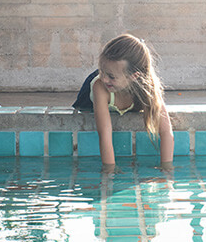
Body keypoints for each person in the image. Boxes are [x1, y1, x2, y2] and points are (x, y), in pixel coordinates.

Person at [73, 34, 174, 167]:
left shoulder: (148, 88)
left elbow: (166, 132)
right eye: (102, 71)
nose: (104, 79)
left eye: (110, 76)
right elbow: (105, 133)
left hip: (131, 87)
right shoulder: (100, 85)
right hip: (91, 98)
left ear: (134, 76)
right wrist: (110, 170)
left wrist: (167, 169)